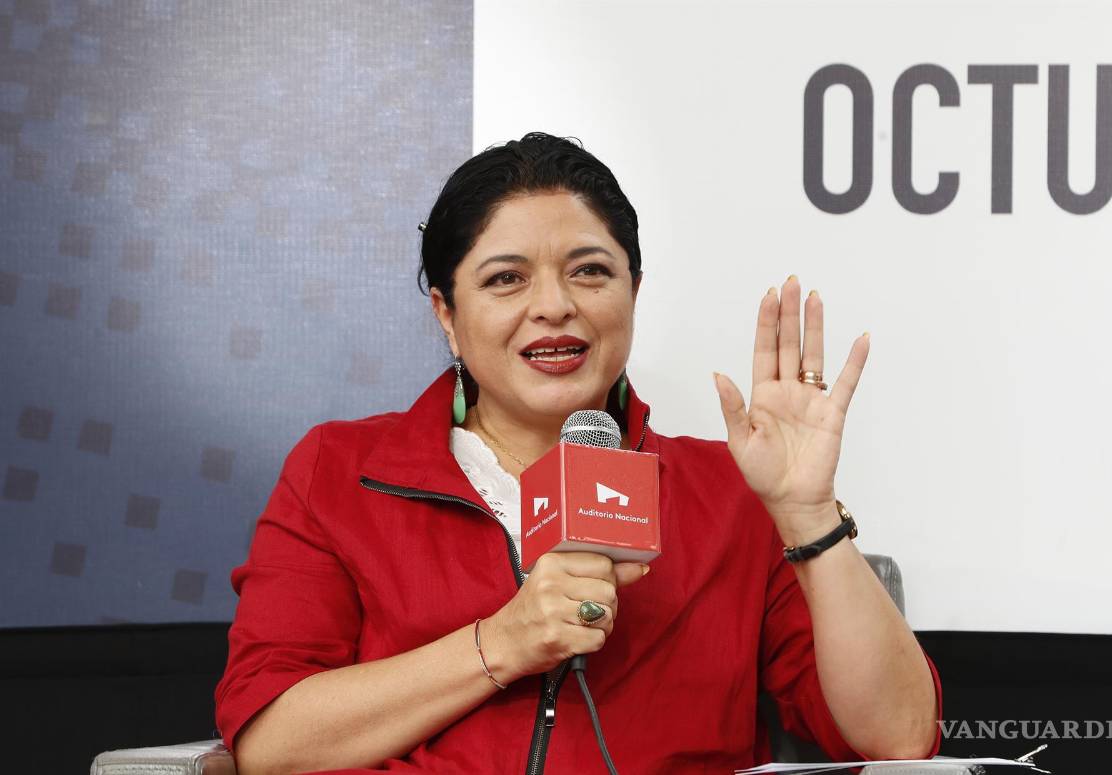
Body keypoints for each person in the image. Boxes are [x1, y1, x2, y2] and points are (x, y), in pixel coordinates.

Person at [214, 132, 943, 775]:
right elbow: (272, 740)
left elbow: (902, 738)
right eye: (506, 278)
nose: (555, 304)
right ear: (446, 312)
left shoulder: (731, 492)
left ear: (634, 290)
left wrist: (806, 511)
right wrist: (504, 642)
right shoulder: (340, 471)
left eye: (590, 270)